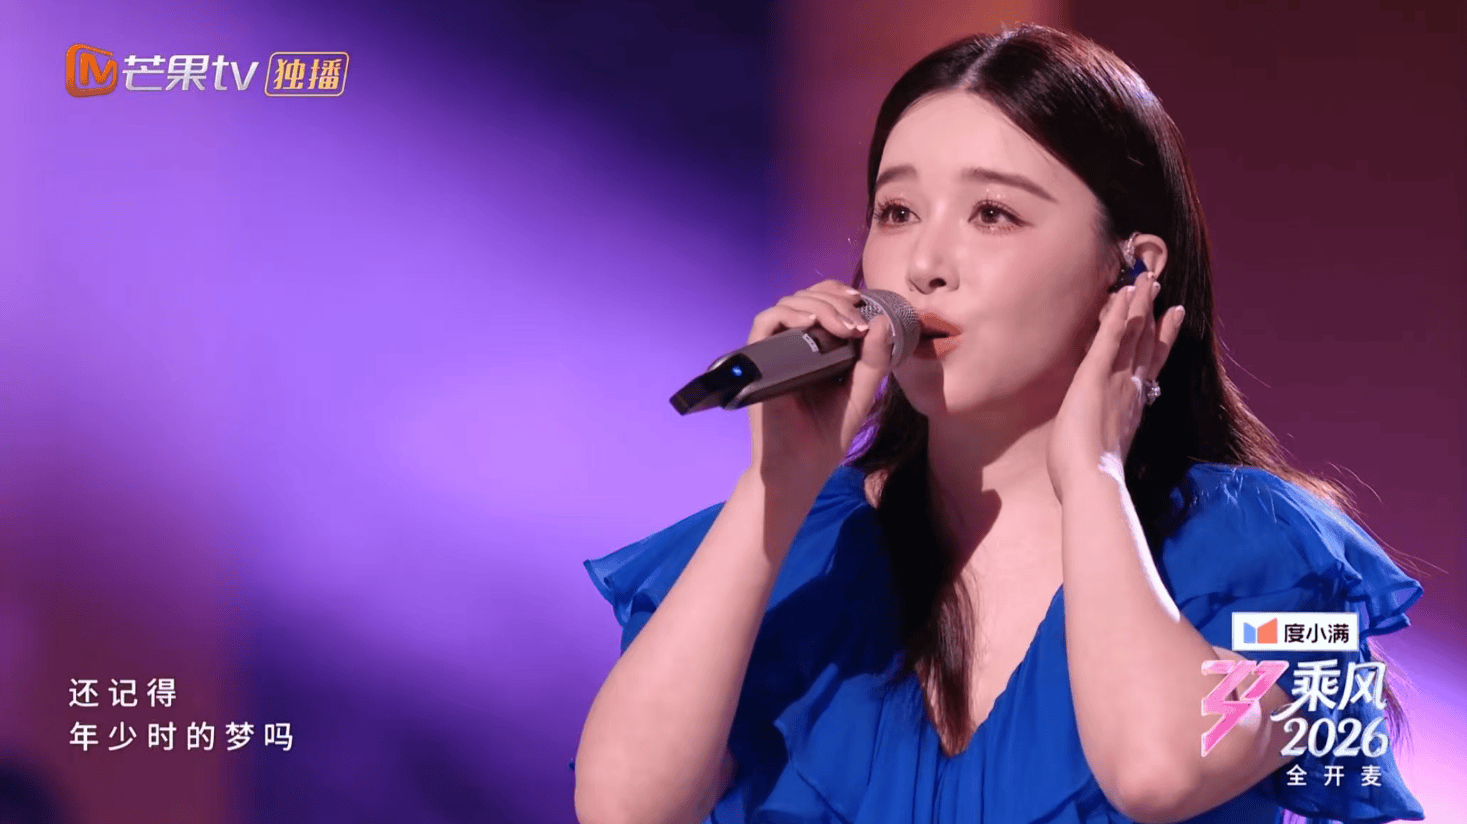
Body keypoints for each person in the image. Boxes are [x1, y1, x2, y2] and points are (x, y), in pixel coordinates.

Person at [572, 23, 1426, 824]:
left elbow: (1157, 771)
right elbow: (623, 807)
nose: (923, 265)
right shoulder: (802, 557)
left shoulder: (1276, 560)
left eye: (992, 214)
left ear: (1131, 271)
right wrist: (778, 484)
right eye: (896, 212)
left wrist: (1091, 473)